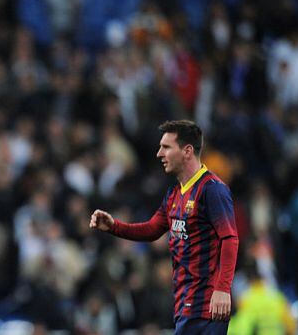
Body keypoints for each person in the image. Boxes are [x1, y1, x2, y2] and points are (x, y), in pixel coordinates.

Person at [90, 120, 239, 334]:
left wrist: (223, 289)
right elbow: (152, 229)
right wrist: (115, 227)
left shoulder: (212, 190)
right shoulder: (174, 194)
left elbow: (230, 239)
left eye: (166, 147)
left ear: (187, 151)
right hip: (184, 305)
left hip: (207, 306)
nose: (159, 154)